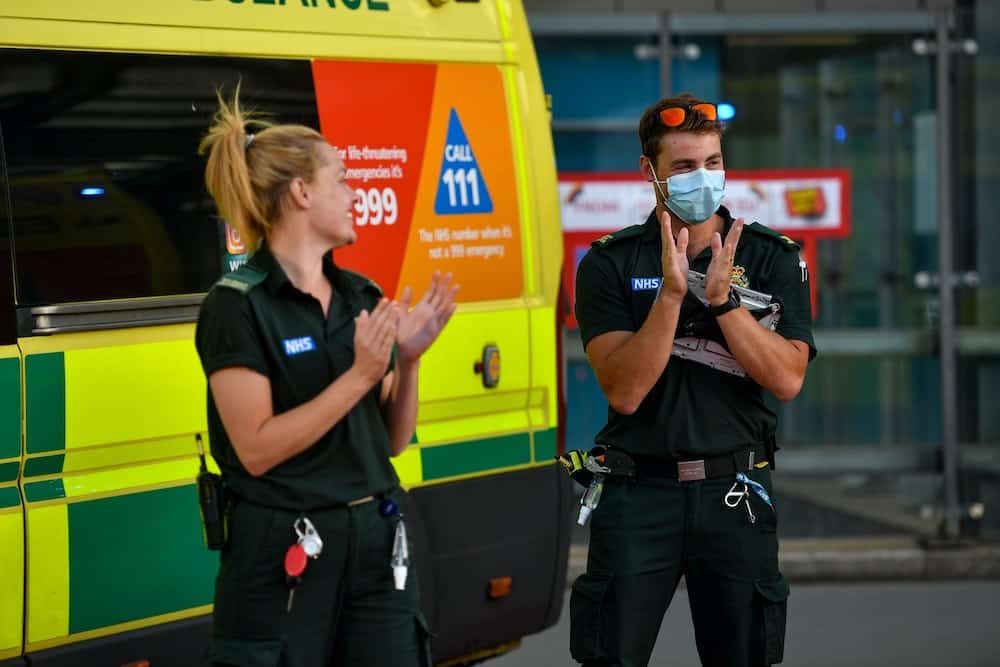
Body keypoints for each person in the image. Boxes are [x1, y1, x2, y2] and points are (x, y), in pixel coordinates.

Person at [195, 88, 457, 667]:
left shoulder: (360, 294)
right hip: (285, 544)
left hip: (376, 534)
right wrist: (360, 376)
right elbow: (256, 449)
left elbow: (391, 441)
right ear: (302, 192)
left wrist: (408, 361)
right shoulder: (236, 306)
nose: (353, 191)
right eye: (341, 178)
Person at [569, 92, 816, 667]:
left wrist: (725, 304)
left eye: (711, 162)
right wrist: (673, 295)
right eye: (683, 167)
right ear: (650, 173)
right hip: (637, 494)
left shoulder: (773, 256)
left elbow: (787, 379)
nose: (701, 178)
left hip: (735, 491)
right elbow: (625, 391)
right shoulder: (610, 263)